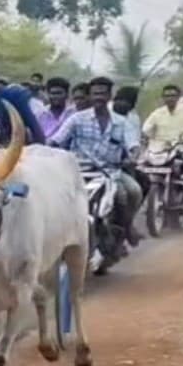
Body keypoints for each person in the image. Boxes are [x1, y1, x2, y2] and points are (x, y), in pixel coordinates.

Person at [49, 76, 143, 245]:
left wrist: (133, 157)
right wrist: (47, 149)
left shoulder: (121, 123)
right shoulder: (77, 119)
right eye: (95, 94)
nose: (98, 97)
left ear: (109, 96)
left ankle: (127, 227)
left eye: (102, 93)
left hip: (110, 172)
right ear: (90, 96)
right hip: (78, 171)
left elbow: (133, 145)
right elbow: (57, 139)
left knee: (133, 191)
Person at [141, 82, 183, 196]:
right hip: (160, 147)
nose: (170, 98)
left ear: (178, 97)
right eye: (167, 96)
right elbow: (146, 128)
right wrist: (145, 136)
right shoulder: (157, 113)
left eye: (173, 95)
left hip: (182, 145)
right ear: (163, 98)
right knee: (142, 165)